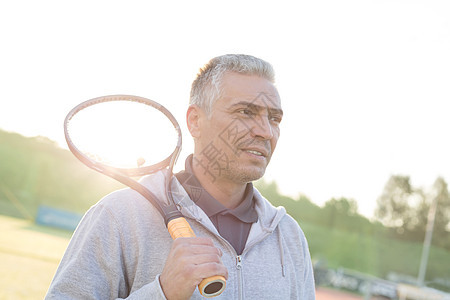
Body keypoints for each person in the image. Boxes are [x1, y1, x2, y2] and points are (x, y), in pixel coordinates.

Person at [45, 54, 315, 299]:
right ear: (195, 120)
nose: (266, 131)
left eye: (275, 119)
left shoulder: (288, 236)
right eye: (245, 112)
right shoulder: (119, 215)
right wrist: (162, 293)